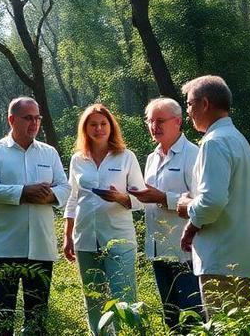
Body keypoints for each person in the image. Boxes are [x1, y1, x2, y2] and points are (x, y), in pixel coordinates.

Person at [175, 75, 250, 317]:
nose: (188, 112)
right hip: (247, 259)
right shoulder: (236, 138)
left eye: (189, 104)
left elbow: (212, 202)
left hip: (223, 261)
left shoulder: (214, 143)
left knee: (225, 327)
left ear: (204, 104)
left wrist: (189, 212)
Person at [0, 96, 70, 336]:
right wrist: (24, 192)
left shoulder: (49, 153)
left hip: (41, 246)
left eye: (37, 118)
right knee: (0, 314)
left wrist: (47, 197)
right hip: (3, 247)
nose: (34, 123)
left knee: (38, 315)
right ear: (11, 120)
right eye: (27, 118)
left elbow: (64, 188)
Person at [63, 103, 146, 336]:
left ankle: (129, 333)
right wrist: (67, 235)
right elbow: (72, 199)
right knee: (94, 299)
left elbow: (142, 199)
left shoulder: (126, 157)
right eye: (93, 124)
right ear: (85, 129)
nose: (99, 128)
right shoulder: (78, 160)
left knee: (124, 297)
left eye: (103, 124)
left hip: (119, 238)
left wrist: (121, 197)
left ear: (111, 127)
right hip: (86, 238)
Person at [128, 97, 202, 330]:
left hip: (185, 252)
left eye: (160, 120)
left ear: (178, 121)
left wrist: (163, 198)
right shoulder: (151, 158)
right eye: (150, 121)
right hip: (158, 250)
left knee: (193, 317)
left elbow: (201, 201)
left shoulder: (194, 154)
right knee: (170, 318)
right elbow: (150, 196)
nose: (154, 126)